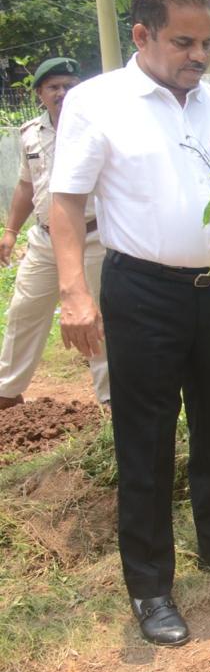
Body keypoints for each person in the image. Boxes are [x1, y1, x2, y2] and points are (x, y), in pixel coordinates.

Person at [49, 0, 210, 648]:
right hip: (143, 292)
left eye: (207, 43)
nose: (200, 57)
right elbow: (66, 203)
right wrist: (74, 293)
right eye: (185, 42)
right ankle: (150, 584)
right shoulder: (99, 103)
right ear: (143, 34)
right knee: (146, 439)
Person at [0, 57, 109, 409]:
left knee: (97, 318)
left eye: (69, 85)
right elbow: (25, 185)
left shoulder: (98, 128)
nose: (63, 92)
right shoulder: (30, 132)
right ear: (40, 95)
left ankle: (110, 398)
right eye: (54, 87)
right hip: (44, 241)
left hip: (92, 239)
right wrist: (11, 230)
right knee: (23, 310)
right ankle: (7, 390)